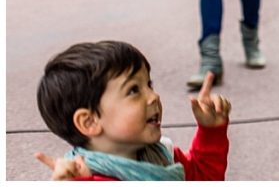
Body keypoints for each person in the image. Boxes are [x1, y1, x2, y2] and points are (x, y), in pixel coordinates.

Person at [34, 40, 230, 180]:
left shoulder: (163, 155)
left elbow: (204, 178)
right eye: (134, 90)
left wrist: (210, 132)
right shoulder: (85, 177)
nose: (154, 96)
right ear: (90, 122)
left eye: (149, 85)